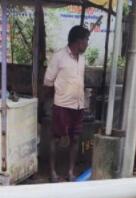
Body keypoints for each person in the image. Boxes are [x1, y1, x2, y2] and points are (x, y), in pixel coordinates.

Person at [43, 25, 90, 182]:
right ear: (78, 41)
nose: (87, 43)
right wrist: (54, 99)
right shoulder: (59, 57)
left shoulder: (82, 59)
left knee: (75, 139)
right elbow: (48, 81)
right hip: (62, 105)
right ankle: (53, 172)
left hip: (78, 105)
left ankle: (70, 172)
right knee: (56, 138)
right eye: (86, 40)